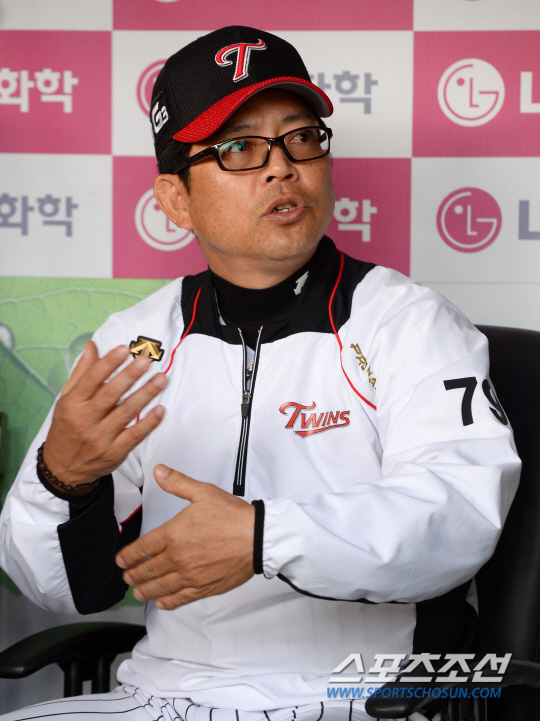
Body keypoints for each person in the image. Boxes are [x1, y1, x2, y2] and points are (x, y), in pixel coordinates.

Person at [0, 25, 521, 721]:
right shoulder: (135, 342)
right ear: (176, 199)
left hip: (358, 697)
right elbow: (66, 590)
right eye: (240, 148)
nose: (282, 168)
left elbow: (458, 518)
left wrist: (260, 537)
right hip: (164, 693)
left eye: (300, 138)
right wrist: (63, 481)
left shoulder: (408, 322)